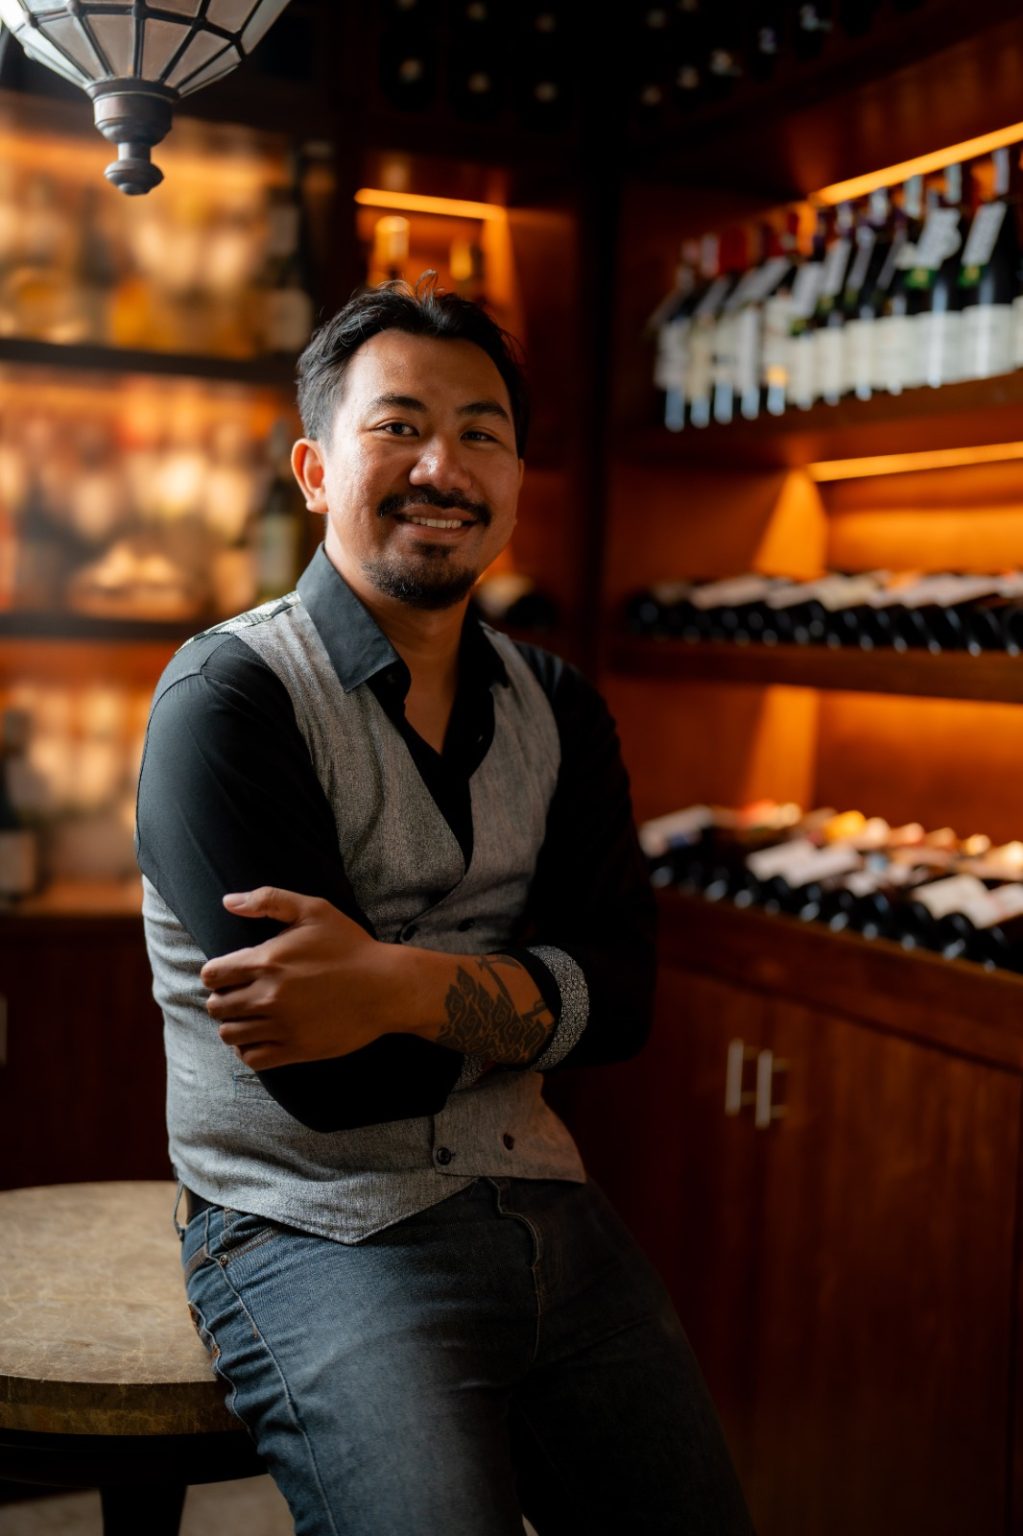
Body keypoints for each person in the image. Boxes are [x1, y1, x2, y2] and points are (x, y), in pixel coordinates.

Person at [136, 277, 752, 1536]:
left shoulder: (560, 706)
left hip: (545, 1197)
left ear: (516, 482)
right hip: (308, 1231)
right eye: (399, 426)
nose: (443, 468)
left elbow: (629, 1002)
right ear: (315, 471)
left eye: (482, 433)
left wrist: (394, 985)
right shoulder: (227, 701)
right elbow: (334, 1081)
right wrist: (534, 1000)